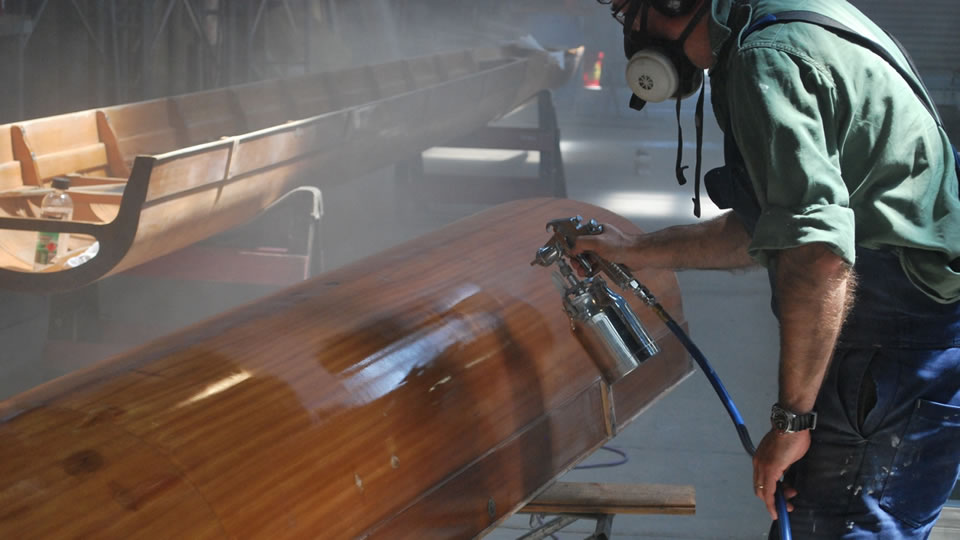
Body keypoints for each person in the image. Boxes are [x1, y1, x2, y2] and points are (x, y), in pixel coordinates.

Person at [575, 0, 960, 538]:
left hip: (890, 357)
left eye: (629, 12)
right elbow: (766, 226)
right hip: (903, 343)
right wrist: (632, 249)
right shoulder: (796, 16)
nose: (632, 33)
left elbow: (817, 257)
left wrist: (792, 421)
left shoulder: (765, 59)